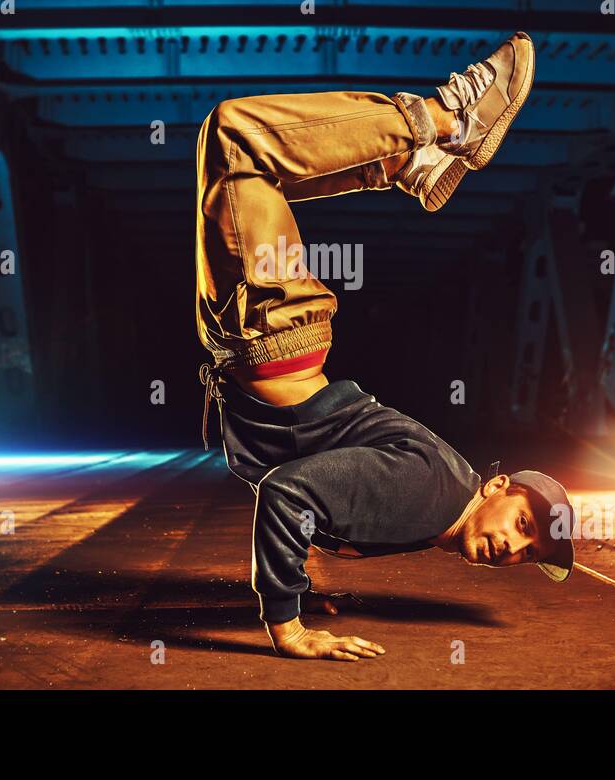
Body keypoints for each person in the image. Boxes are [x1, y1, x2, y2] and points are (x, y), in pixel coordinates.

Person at [196, 32, 575, 661]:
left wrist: (305, 581)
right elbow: (289, 493)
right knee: (237, 138)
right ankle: (447, 123)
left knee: (240, 163)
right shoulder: (433, 493)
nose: (514, 548)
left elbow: (322, 497)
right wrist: (288, 626)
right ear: (497, 487)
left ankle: (408, 165)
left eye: (529, 553)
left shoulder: (433, 515)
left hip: (261, 341)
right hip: (271, 334)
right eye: (525, 525)